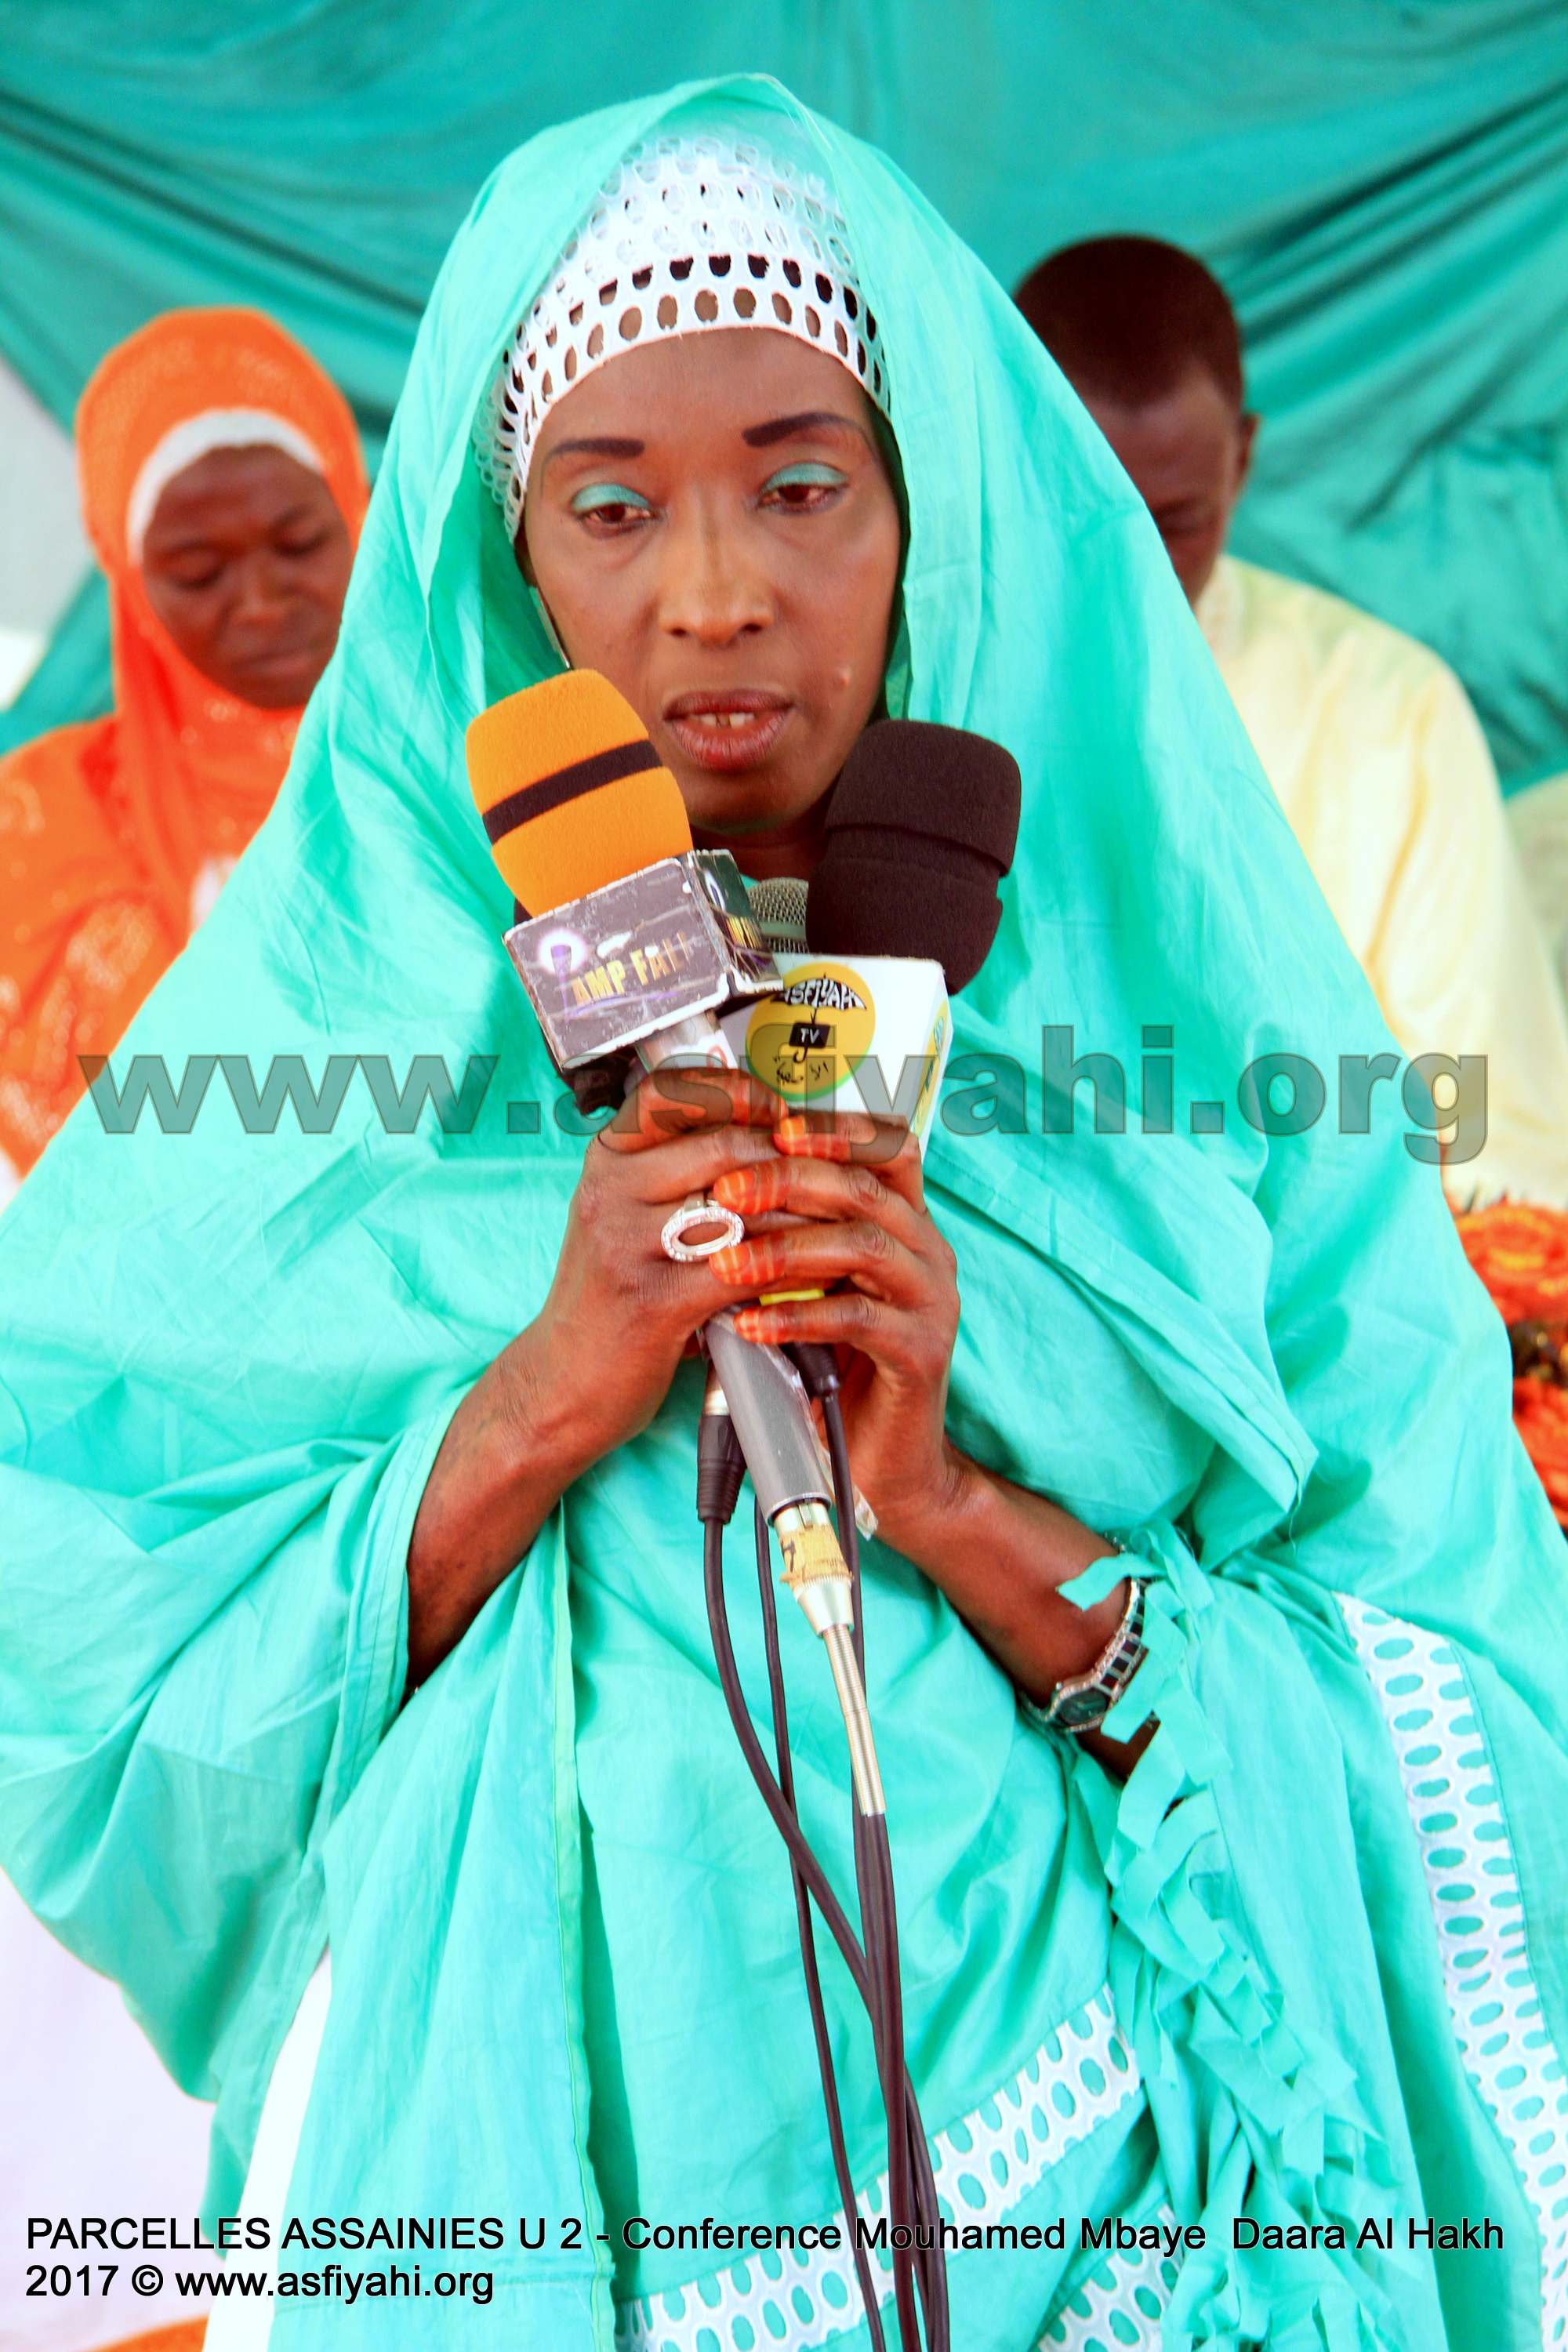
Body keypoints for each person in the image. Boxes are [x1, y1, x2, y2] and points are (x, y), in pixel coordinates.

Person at [1, 83, 1565, 2352]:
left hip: (1120, 2215)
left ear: (929, 519)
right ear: (511, 558)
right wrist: (552, 1385)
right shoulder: (335, 1048)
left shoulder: (1172, 1021)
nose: (715, 590)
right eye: (611, 506)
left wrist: (948, 1504)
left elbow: (1451, 1655)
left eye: (802, 485)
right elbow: (94, 1653)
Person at [1015, 235, 1568, 1211]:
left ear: (1243, 457)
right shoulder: (898, 689)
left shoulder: (1388, 712)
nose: (1135, 564)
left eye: (1174, 519)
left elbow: (1496, 1148)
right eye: (1089, 511)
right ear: (1000, 450)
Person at [0, 304, 368, 1192]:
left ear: (356, 509)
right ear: (130, 585)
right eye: (198, 572)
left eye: (300, 542)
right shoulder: (40, 827)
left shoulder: (476, 762)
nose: (261, 602)